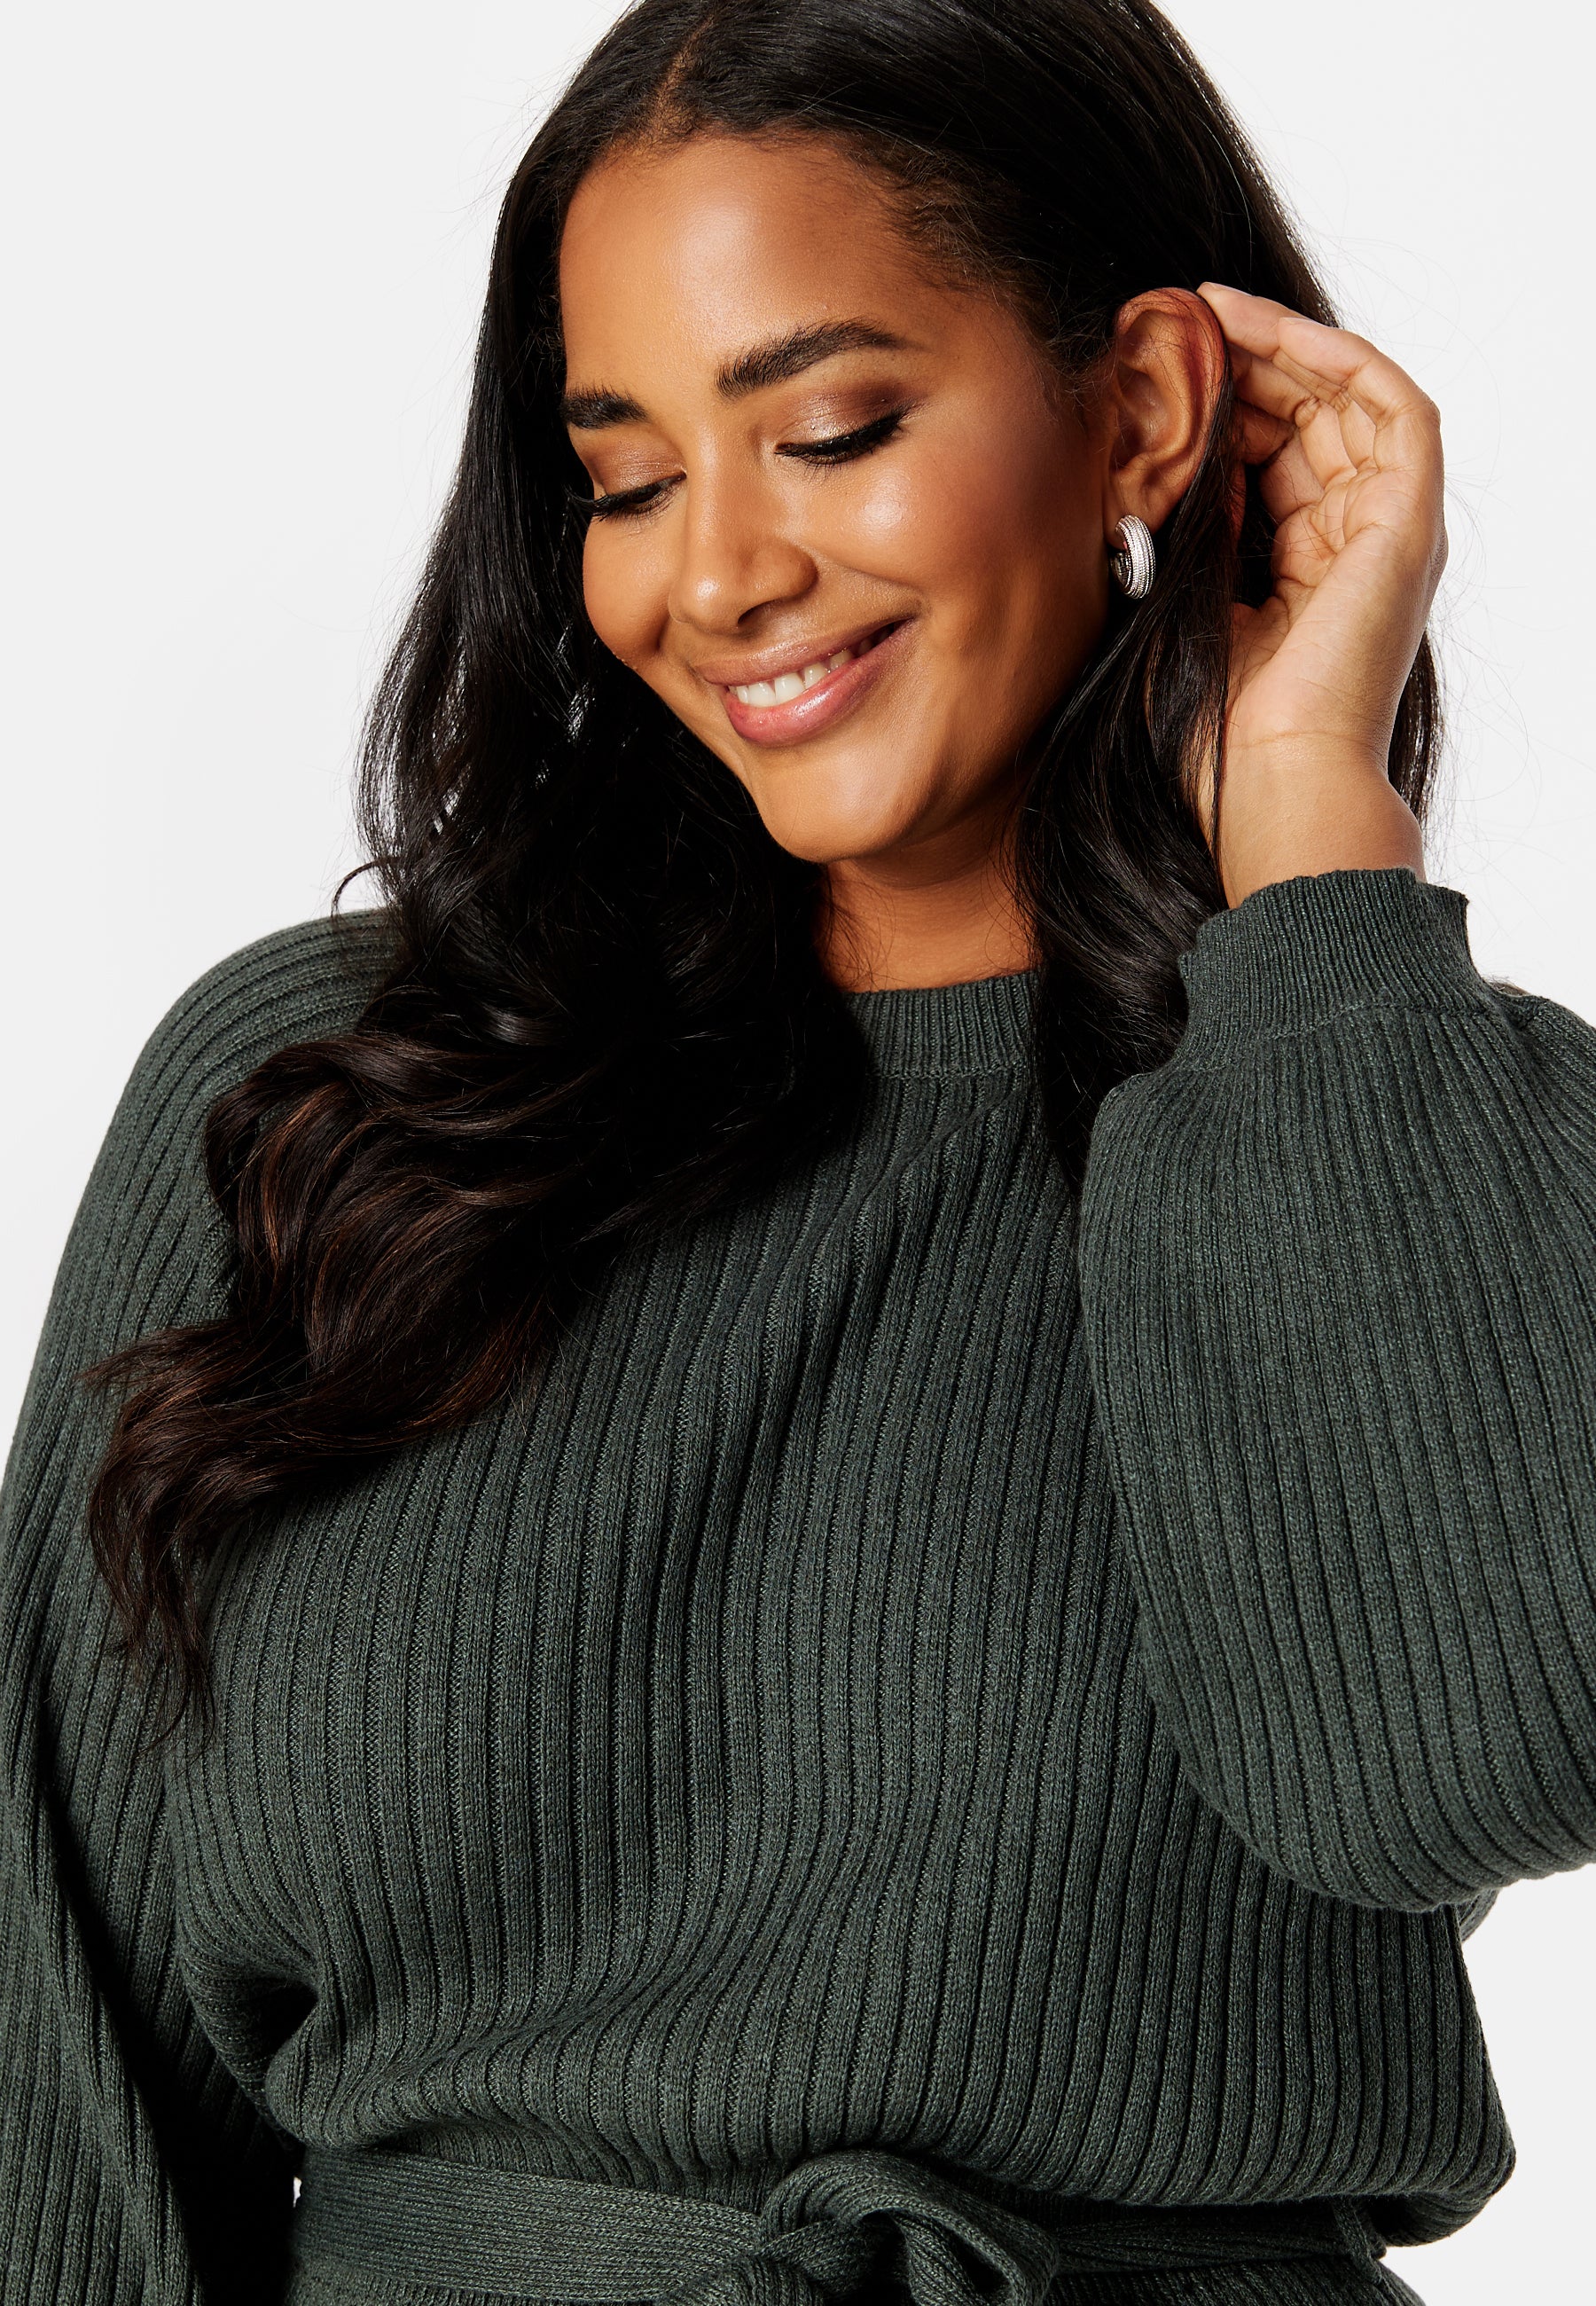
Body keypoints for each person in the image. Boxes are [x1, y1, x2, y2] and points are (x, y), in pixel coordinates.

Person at [3, 0, 1592, 2299]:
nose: (719, 574)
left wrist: (1314, 847)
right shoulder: (331, 1106)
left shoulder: (1396, 1116)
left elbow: (1459, 1761)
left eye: (830, 431)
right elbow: (51, 2081)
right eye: (629, 476)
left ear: (1143, 411)